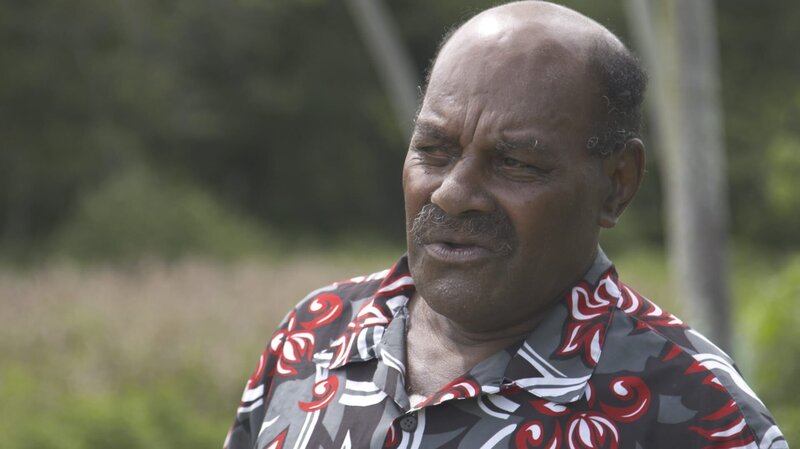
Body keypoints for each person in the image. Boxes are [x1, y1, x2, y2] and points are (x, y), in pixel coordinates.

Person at [224, 2, 787, 448]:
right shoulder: (316, 334)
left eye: (514, 163)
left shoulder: (696, 408)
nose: (452, 193)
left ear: (617, 184)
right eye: (434, 150)